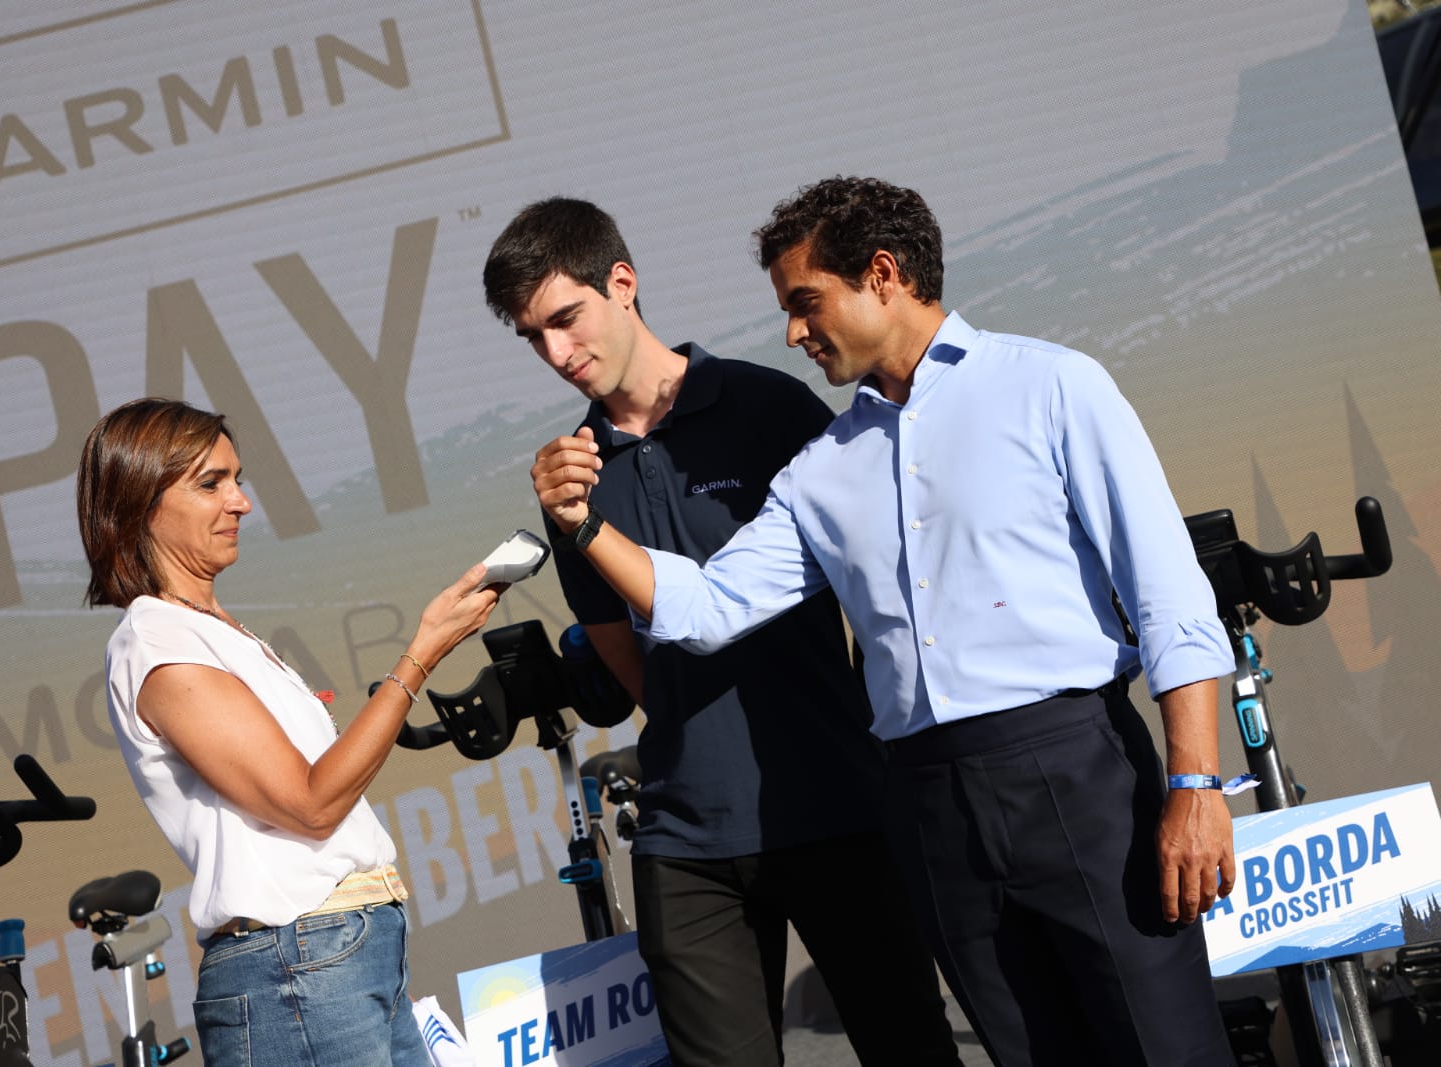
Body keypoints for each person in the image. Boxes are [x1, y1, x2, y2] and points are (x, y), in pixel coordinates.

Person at [529, 177, 1240, 1066]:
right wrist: (584, 527)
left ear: (882, 274)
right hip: (929, 804)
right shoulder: (821, 467)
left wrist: (1196, 783)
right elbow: (705, 609)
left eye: (806, 302)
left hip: (1076, 771)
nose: (794, 332)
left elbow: (1169, 594)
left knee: (1164, 1050)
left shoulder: (1051, 384)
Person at [485, 198, 960, 1066]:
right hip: (687, 836)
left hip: (838, 805)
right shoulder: (570, 479)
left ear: (621, 283)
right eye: (532, 337)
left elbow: (877, 588)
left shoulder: (770, 405)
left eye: (565, 318)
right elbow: (630, 661)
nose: (555, 352)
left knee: (912, 1050)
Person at [77, 398, 501, 1066]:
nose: (241, 502)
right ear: (141, 504)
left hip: (345, 953)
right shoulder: (157, 641)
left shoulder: (212, 630)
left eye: (237, 479)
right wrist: (423, 652)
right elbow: (310, 802)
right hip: (298, 965)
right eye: (211, 484)